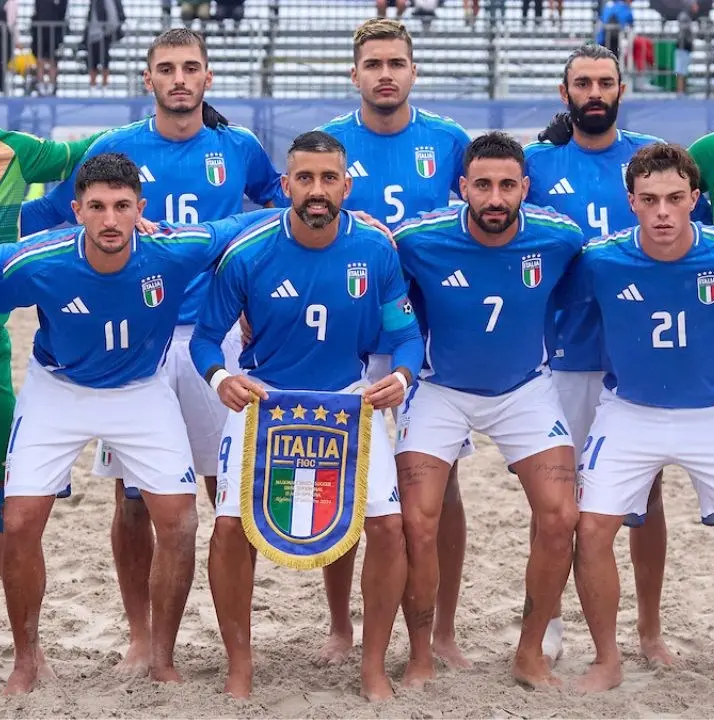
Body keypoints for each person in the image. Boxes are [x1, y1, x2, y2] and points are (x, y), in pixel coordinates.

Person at [20, 27, 284, 677]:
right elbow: (54, 218)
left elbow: (278, 213)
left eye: (190, 67)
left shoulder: (238, 147)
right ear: (148, 80)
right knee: (134, 497)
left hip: (211, 337)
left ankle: (232, 644)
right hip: (135, 341)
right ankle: (141, 637)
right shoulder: (115, 151)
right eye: (166, 68)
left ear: (208, 77)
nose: (179, 79)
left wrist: (254, 294)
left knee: (226, 491)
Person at [0, 151, 267, 694]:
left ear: (141, 209)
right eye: (96, 206)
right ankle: (27, 660)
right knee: (19, 522)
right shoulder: (38, 260)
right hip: (59, 389)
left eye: (122, 206)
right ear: (75, 210)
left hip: (140, 391)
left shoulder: (172, 250)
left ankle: (160, 656)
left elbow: (247, 222)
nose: (110, 219)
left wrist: (356, 220)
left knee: (179, 522)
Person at [189, 130, 424, 701]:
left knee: (389, 528)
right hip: (264, 401)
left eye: (328, 179)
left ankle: (372, 667)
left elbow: (407, 334)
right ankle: (239, 667)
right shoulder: (247, 254)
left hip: (348, 402)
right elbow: (202, 339)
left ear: (346, 184)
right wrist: (221, 378)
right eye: (304, 179)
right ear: (286, 185)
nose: (316, 191)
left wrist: (400, 377)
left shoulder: (375, 249)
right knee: (227, 529)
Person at [526, 43, 711, 667]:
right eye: (583, 82)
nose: (595, 92)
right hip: (570, 354)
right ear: (565, 92)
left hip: (640, 358)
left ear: (622, 89)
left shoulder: (650, 160)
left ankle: (650, 630)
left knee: (648, 494)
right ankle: (548, 622)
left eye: (606, 81)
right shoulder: (537, 163)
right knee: (557, 498)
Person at [393, 132, 582, 688]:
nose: (494, 198)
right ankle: (421, 651)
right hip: (439, 389)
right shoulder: (418, 240)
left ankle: (529, 652)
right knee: (417, 522)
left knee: (561, 517)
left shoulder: (560, 238)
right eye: (482, 185)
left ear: (525, 188)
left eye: (506, 185)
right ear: (462, 189)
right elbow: (364, 257)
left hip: (525, 389)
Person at [316, 18, 472, 668]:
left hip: (430, 337)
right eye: (373, 63)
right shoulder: (328, 145)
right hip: (350, 339)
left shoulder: (450, 142)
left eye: (396, 62)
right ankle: (338, 626)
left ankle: (442, 632)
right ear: (354, 74)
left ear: (413, 71)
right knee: (347, 480)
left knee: (440, 482)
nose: (386, 73)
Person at [564, 143, 714, 692]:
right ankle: (608, 658)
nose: (662, 212)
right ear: (630, 201)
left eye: (675, 198)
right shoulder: (599, 259)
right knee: (591, 527)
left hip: (712, 413)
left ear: (695, 200)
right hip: (629, 410)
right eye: (649, 199)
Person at [81, 0, 125, 94]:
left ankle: (104, 86)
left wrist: (107, 29)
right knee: (92, 61)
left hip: (103, 34)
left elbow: (115, 15)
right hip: (93, 34)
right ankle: (93, 86)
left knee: (104, 60)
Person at [30, 0, 67, 95]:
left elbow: (62, 10)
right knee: (40, 60)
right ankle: (41, 85)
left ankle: (51, 85)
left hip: (54, 32)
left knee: (52, 61)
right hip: (40, 32)